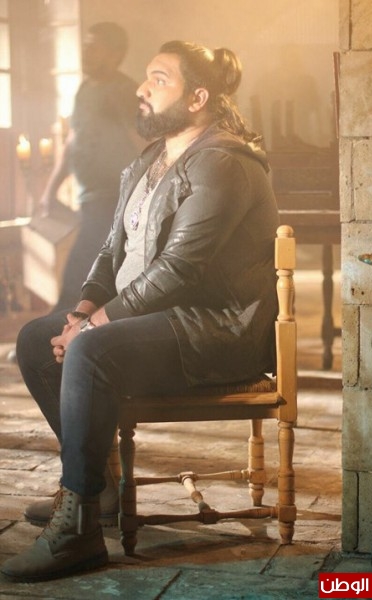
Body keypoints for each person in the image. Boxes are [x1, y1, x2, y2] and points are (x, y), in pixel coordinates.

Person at [0, 40, 279, 582]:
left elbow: (179, 271)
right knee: (36, 339)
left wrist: (90, 329)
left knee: (91, 350)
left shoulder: (223, 162)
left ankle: (78, 530)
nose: (141, 88)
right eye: (146, 77)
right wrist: (82, 311)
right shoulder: (151, 159)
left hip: (217, 329)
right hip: (162, 320)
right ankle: (98, 491)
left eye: (159, 79)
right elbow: (111, 251)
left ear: (198, 98)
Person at [41, 21, 142, 312]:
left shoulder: (124, 91)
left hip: (113, 197)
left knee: (81, 269)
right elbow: (73, 140)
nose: (86, 52)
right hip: (89, 197)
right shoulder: (85, 89)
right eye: (85, 46)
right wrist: (50, 190)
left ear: (115, 54)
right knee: (90, 271)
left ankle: (58, 327)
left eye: (94, 47)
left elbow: (142, 142)